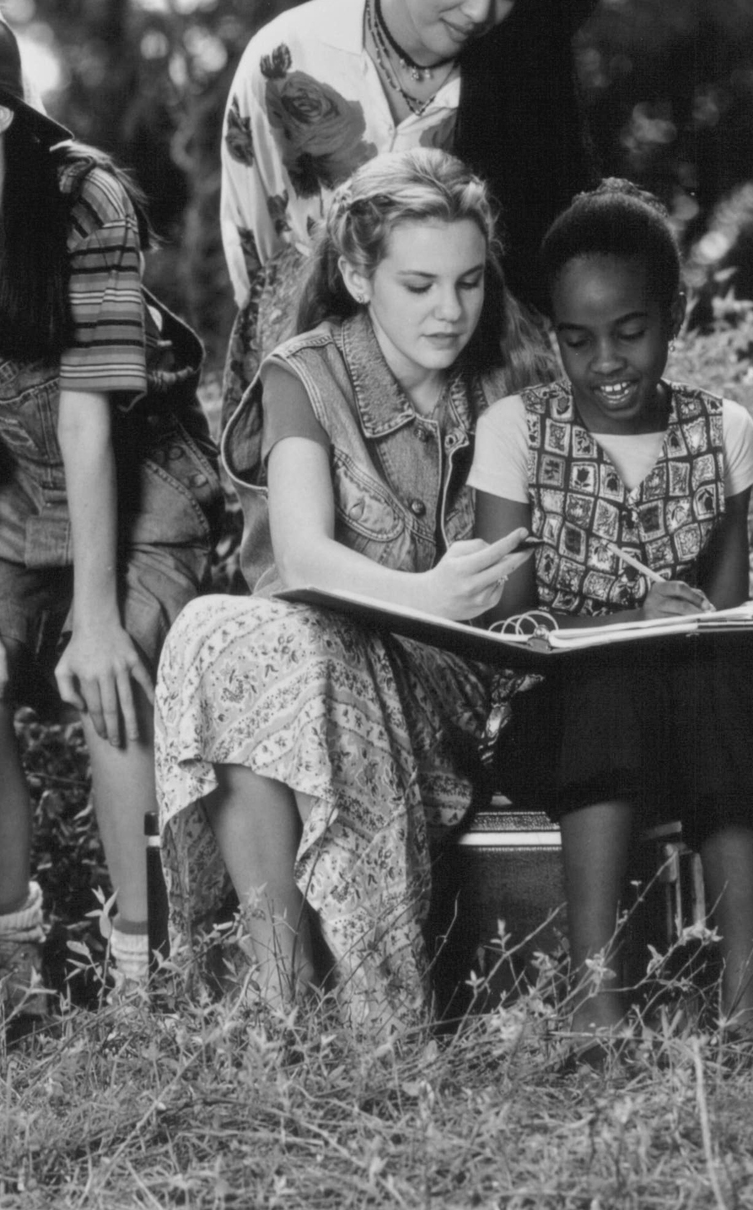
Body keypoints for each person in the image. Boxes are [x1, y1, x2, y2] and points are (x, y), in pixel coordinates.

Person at [0, 6, 223, 1005]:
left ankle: (150, 970)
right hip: (14, 490)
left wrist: (98, 618)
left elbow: (85, 419)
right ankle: (13, 970)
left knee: (114, 684)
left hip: (139, 482)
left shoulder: (82, 200)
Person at [155, 150, 535, 1023]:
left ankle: (342, 1015)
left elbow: (515, 593)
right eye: (420, 284)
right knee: (227, 634)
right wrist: (430, 591)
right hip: (304, 674)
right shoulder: (306, 372)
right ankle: (286, 1008)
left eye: (470, 281)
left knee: (271, 653)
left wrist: (448, 605)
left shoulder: (507, 376)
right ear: (360, 276)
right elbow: (303, 556)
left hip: (456, 692)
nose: (451, 309)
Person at [470, 180, 753, 1061]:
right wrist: (624, 615)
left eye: (630, 331)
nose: (606, 359)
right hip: (551, 729)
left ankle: (747, 1015)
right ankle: (596, 1002)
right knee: (600, 674)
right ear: (554, 333)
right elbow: (511, 619)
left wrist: (704, 621)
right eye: (577, 338)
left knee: (717, 670)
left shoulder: (724, 432)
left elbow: (724, 610)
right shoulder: (516, 430)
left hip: (687, 732)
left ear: (674, 314)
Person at [217, 0, 600, 409]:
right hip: (310, 372)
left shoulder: (519, 75)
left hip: (472, 380)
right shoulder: (288, 57)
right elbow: (257, 255)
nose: (480, 11)